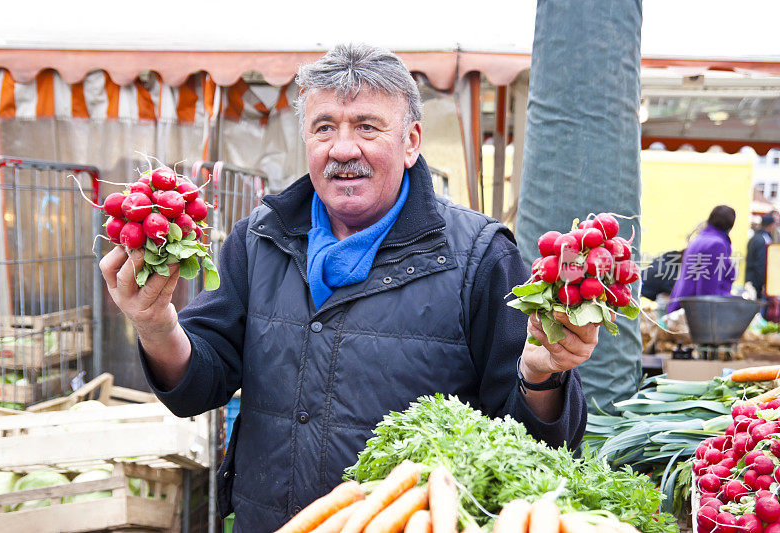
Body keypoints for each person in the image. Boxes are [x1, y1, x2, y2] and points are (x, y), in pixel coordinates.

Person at [99, 44, 598, 532]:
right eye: (324, 128)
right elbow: (198, 385)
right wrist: (155, 324)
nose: (342, 149)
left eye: (367, 127)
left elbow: (534, 453)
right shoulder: (260, 240)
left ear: (411, 143)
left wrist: (539, 377)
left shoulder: (481, 256)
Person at [666, 205, 737, 313]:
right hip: (694, 313)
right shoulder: (717, 245)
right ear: (731, 226)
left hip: (682, 304)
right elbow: (707, 287)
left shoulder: (698, 239)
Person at [746, 213, 778, 300]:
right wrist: (764, 282)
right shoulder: (763, 240)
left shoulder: (755, 237)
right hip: (757, 282)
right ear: (770, 226)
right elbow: (760, 263)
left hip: (751, 278)